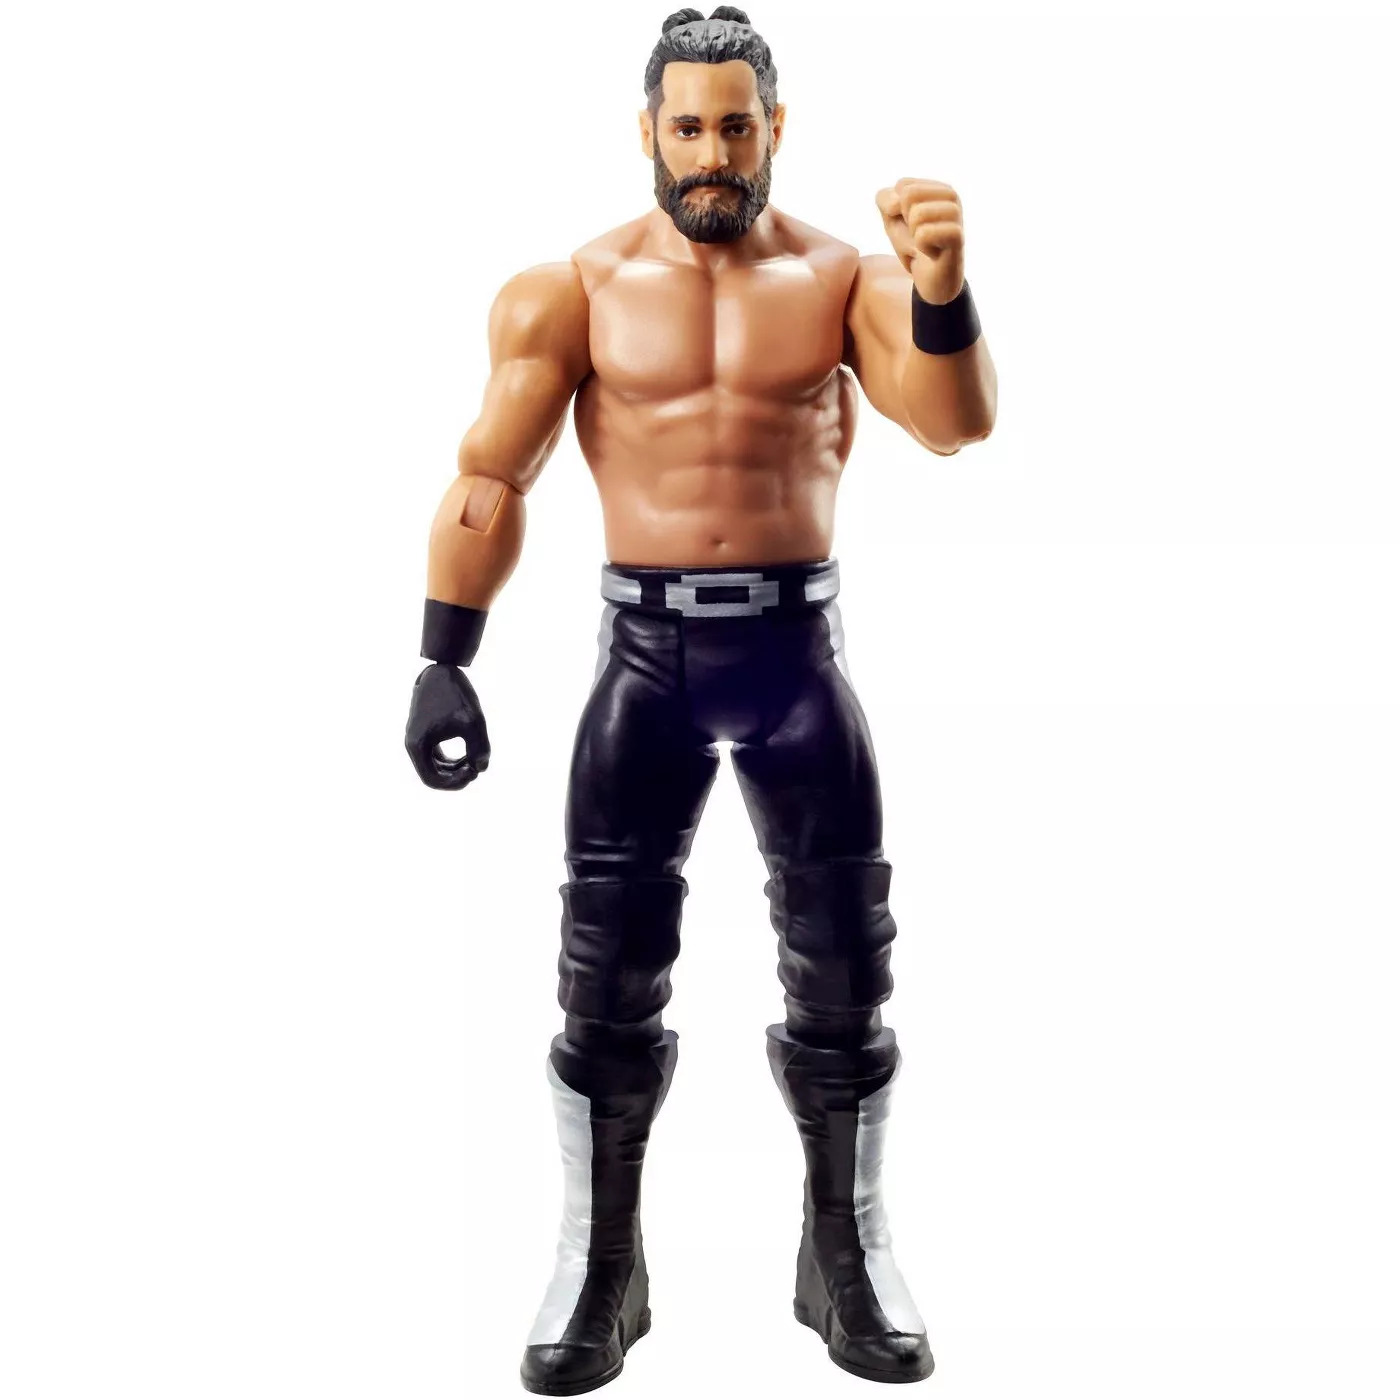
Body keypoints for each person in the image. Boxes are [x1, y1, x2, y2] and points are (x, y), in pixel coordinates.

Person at [404, 7, 996, 1392]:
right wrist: (445, 653)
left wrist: (945, 289)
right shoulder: (571, 289)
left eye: (737, 127)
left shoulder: (844, 280)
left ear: (776, 128)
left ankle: (846, 1253)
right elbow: (491, 475)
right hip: (646, 662)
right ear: (648, 132)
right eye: (690, 128)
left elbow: (953, 424)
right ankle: (599, 1263)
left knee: (845, 966)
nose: (714, 154)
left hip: (796, 657)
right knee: (604, 974)